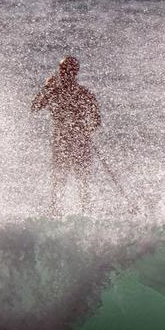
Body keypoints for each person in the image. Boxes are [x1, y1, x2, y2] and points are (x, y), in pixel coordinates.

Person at [32, 56, 101, 213]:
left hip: (77, 141)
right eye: (62, 70)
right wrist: (46, 88)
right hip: (63, 141)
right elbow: (35, 107)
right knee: (60, 179)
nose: (63, 73)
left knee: (81, 180)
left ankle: (84, 211)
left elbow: (96, 120)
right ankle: (56, 210)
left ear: (73, 73)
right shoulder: (53, 91)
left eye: (66, 70)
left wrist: (84, 130)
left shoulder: (83, 93)